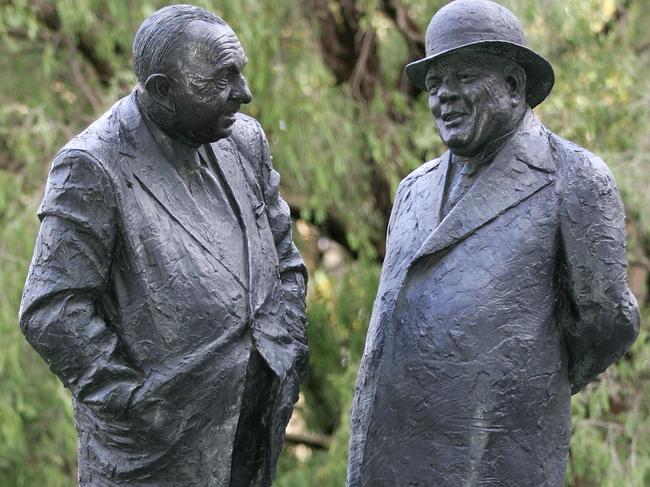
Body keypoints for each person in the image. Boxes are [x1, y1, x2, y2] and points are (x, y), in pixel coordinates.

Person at [347, 1, 639, 485]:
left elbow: (607, 321)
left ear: (513, 85)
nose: (446, 97)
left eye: (463, 76)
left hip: (498, 451)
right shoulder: (412, 188)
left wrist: (524, 378)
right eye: (435, 84)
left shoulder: (576, 178)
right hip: (393, 449)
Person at [19, 5, 307, 486]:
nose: (244, 94)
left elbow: (285, 258)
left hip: (252, 425)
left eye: (240, 74)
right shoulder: (93, 166)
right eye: (220, 80)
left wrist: (289, 341)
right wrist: (132, 404)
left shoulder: (244, 141)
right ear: (161, 90)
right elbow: (51, 308)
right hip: (155, 453)